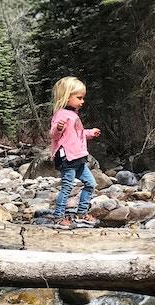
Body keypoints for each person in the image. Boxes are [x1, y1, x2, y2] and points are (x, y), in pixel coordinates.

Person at [48, 77, 101, 229]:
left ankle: (82, 213)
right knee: (67, 186)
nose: (82, 101)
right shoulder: (61, 114)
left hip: (79, 157)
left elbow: (77, 134)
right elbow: (54, 135)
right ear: (66, 96)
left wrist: (90, 133)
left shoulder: (73, 114)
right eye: (79, 98)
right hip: (67, 158)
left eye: (82, 98)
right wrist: (58, 128)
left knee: (90, 183)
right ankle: (58, 217)